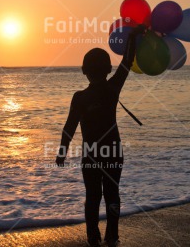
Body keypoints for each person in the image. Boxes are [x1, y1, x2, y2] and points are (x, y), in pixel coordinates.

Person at [55, 25, 146, 247]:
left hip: (92, 155)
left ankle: (93, 237)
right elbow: (127, 62)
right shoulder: (113, 87)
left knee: (93, 196)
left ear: (83, 70)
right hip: (114, 151)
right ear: (108, 69)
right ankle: (112, 236)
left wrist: (62, 152)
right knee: (112, 193)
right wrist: (132, 37)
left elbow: (69, 127)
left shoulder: (79, 98)